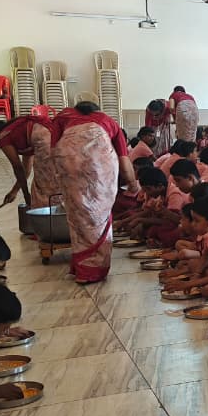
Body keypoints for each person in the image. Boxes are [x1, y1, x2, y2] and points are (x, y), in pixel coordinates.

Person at [52, 102, 136, 284]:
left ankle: (80, 266)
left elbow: (54, 152)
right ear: (97, 110)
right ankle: (91, 271)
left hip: (69, 167)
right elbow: (123, 159)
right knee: (98, 216)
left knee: (77, 215)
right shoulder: (107, 121)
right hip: (98, 170)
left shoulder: (62, 119)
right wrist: (132, 183)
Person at [0, 116, 60, 209]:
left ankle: (47, 215)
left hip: (46, 141)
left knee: (43, 186)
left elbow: (17, 167)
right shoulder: (19, 132)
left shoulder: (3, 136)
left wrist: (26, 195)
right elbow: (26, 170)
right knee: (54, 179)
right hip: (56, 138)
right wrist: (14, 191)